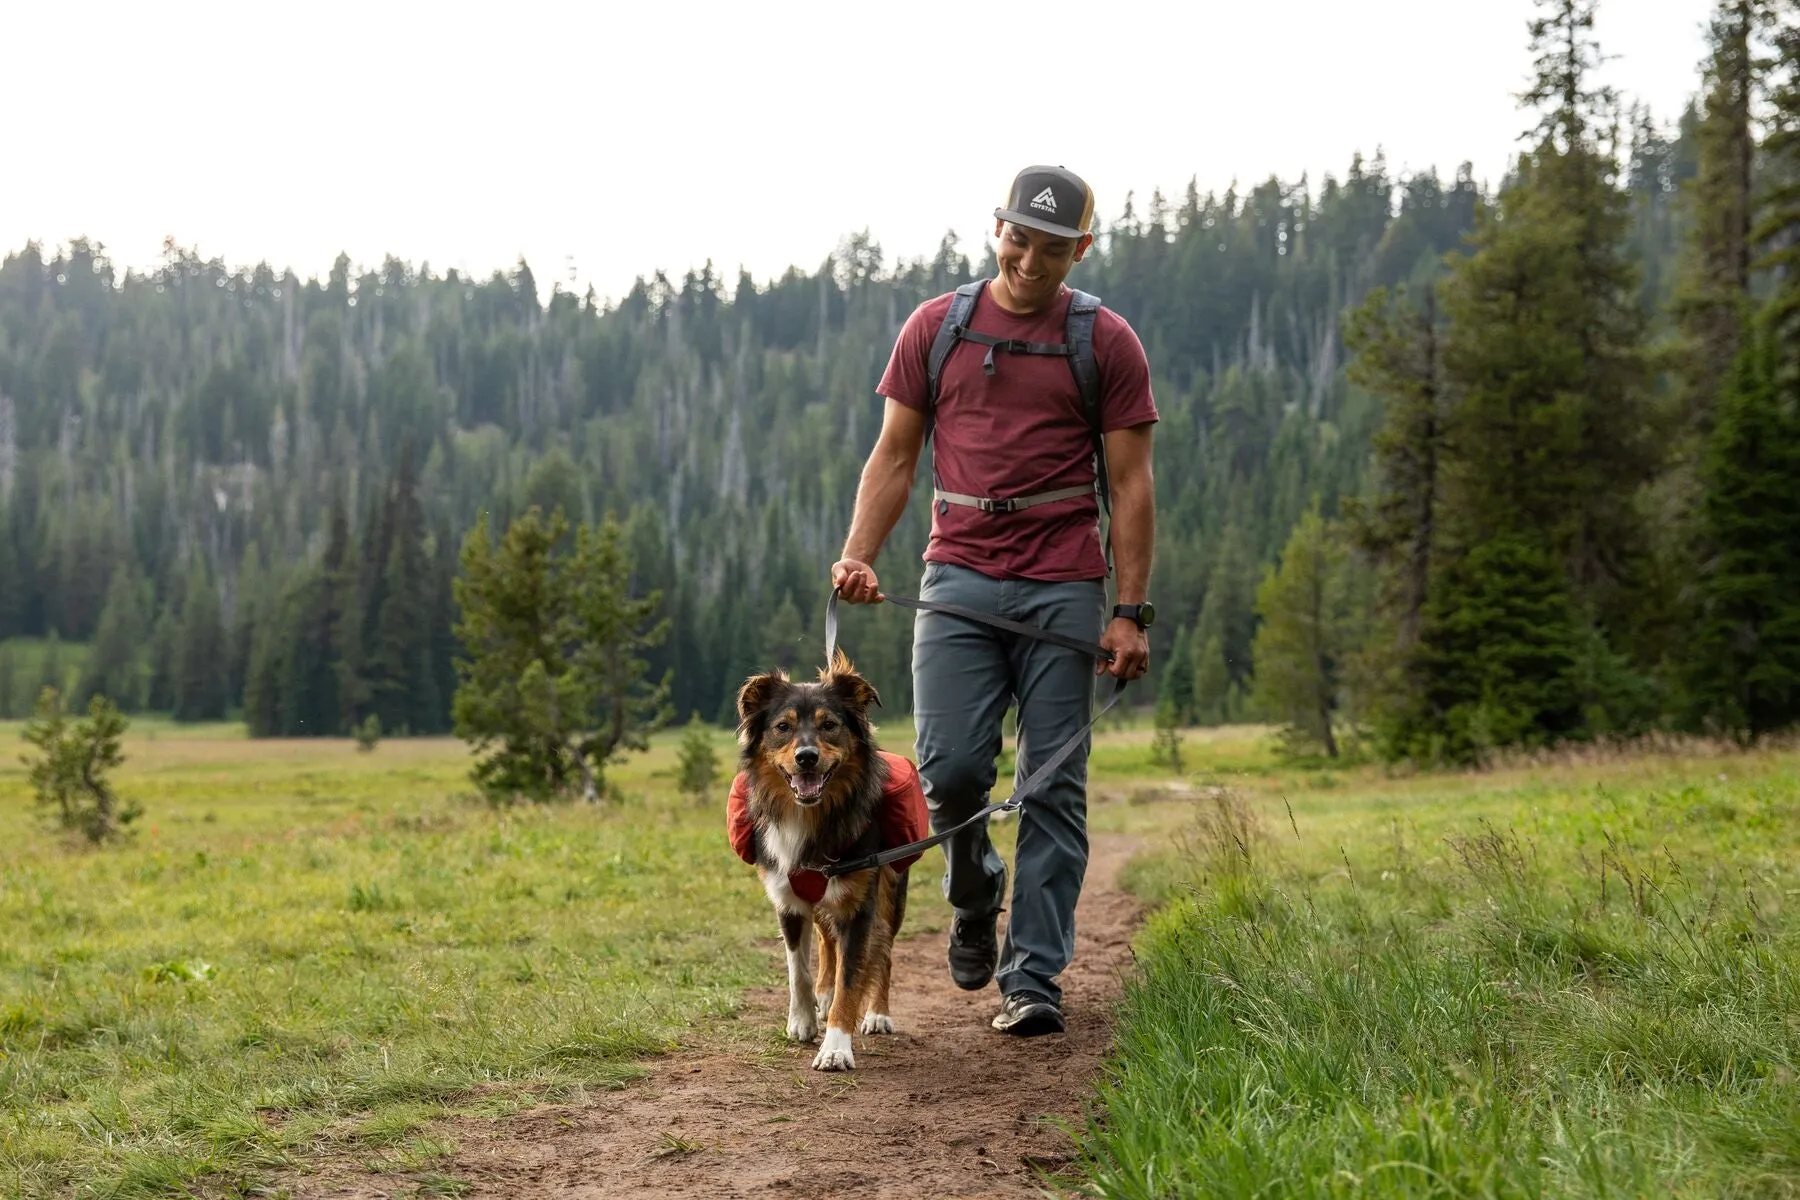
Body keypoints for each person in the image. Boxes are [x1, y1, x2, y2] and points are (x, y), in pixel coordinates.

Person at [830, 164, 1157, 1037]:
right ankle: (975, 895)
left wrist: (1130, 609)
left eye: (1053, 247)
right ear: (997, 228)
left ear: (1080, 249)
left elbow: (1129, 485)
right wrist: (859, 555)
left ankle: (1034, 977)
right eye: (1019, 237)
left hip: (1063, 582)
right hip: (959, 577)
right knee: (951, 771)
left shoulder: (1106, 342)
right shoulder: (937, 328)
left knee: (1052, 784)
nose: (1029, 259)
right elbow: (896, 456)